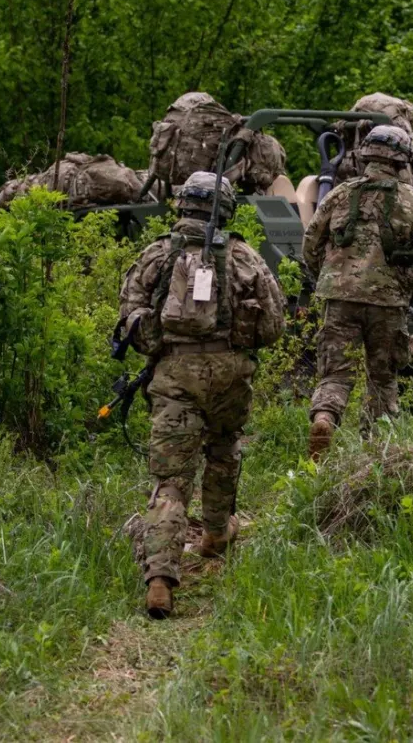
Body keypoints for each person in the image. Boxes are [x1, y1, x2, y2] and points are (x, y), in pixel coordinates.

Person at [118, 171, 285, 619]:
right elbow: (273, 325)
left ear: (182, 206)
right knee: (224, 449)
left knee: (171, 480)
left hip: (174, 374)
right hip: (231, 374)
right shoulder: (245, 256)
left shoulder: (156, 254)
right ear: (226, 211)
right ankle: (214, 535)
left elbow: (128, 316)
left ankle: (159, 577)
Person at [302, 126, 413, 458]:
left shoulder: (339, 194)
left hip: (339, 298)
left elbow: (310, 244)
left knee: (335, 374)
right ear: (402, 161)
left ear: (365, 155)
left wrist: (328, 279)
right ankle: (377, 453)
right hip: (387, 301)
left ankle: (325, 418)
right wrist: (412, 279)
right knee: (382, 377)